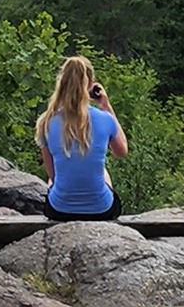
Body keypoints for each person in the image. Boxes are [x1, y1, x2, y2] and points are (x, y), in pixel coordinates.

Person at [33, 53, 127, 220]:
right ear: (90, 85)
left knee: (54, 176)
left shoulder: (46, 123)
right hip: (101, 210)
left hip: (59, 211)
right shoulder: (105, 119)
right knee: (102, 171)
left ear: (61, 83)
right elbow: (121, 152)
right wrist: (106, 106)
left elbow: (53, 176)